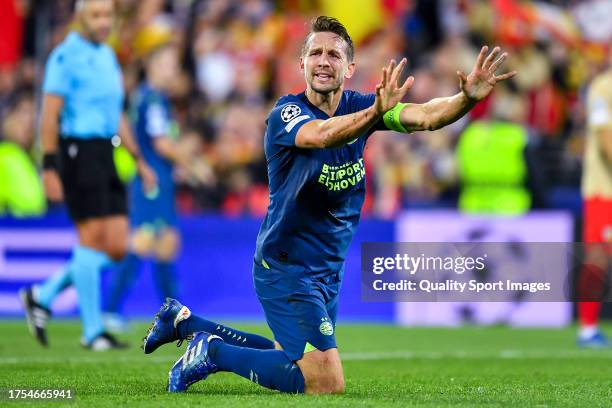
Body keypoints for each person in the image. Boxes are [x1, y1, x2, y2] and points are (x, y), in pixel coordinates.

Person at [142, 16, 515, 394]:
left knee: (290, 358)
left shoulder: (363, 105)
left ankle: (186, 323)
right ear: (302, 63)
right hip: (286, 265)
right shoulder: (286, 114)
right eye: (315, 53)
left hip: (326, 271)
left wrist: (466, 98)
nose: (323, 60)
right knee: (324, 381)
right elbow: (321, 135)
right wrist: (374, 114)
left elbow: (427, 116)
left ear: (349, 67)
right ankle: (213, 352)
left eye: (334, 54)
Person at [20, 0, 156, 350]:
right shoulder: (65, 57)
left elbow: (118, 116)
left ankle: (42, 294)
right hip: (76, 152)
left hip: (105, 152)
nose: (103, 22)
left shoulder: (108, 56)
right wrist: (48, 166)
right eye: (96, 15)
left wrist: (139, 159)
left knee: (116, 245)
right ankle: (93, 331)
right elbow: (49, 116)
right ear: (81, 17)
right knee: (92, 238)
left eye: (107, 15)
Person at [103, 44, 210, 330]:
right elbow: (162, 144)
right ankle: (110, 310)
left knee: (167, 245)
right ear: (151, 65)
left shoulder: (152, 98)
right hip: (152, 180)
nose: (172, 70)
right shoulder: (152, 99)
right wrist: (193, 163)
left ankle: (172, 317)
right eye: (167, 63)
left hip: (159, 179)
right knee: (143, 240)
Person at [576, 53, 612, 348]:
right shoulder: (603, 87)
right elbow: (605, 140)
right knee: (598, 256)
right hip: (605, 189)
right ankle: (587, 328)